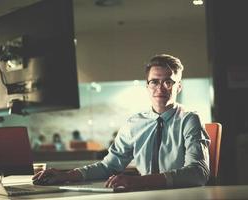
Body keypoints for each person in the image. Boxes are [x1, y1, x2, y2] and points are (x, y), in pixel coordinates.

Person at [33, 54, 210, 190]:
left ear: (178, 86)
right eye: (154, 81)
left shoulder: (189, 120)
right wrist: (65, 176)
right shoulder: (135, 123)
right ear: (147, 86)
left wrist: (139, 182)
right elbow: (108, 166)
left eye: (168, 82)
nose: (160, 88)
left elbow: (198, 173)